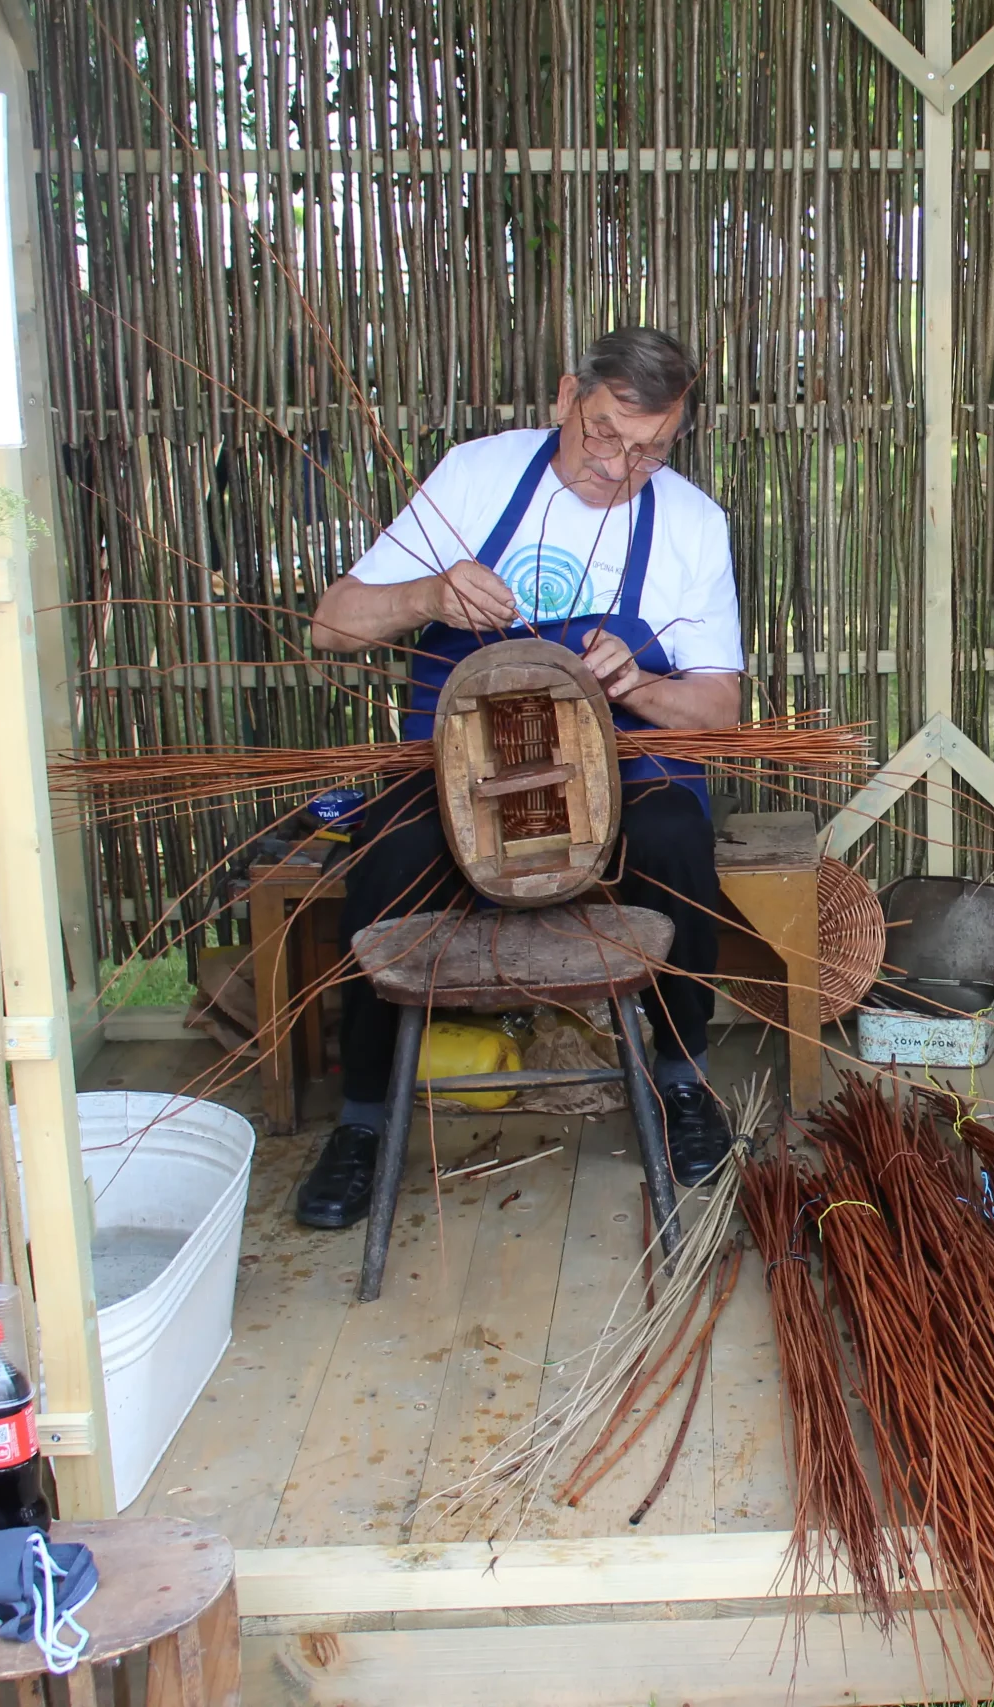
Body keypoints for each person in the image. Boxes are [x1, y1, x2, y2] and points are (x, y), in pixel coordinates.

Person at [294, 326, 742, 1229]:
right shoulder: (476, 475)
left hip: (620, 765)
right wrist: (428, 595)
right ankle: (364, 1119)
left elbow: (721, 710)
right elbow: (331, 624)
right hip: (460, 769)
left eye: (651, 451)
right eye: (604, 434)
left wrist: (638, 685)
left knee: (674, 838)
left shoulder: (692, 522)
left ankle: (682, 1079)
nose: (619, 467)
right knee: (388, 852)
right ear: (566, 396)